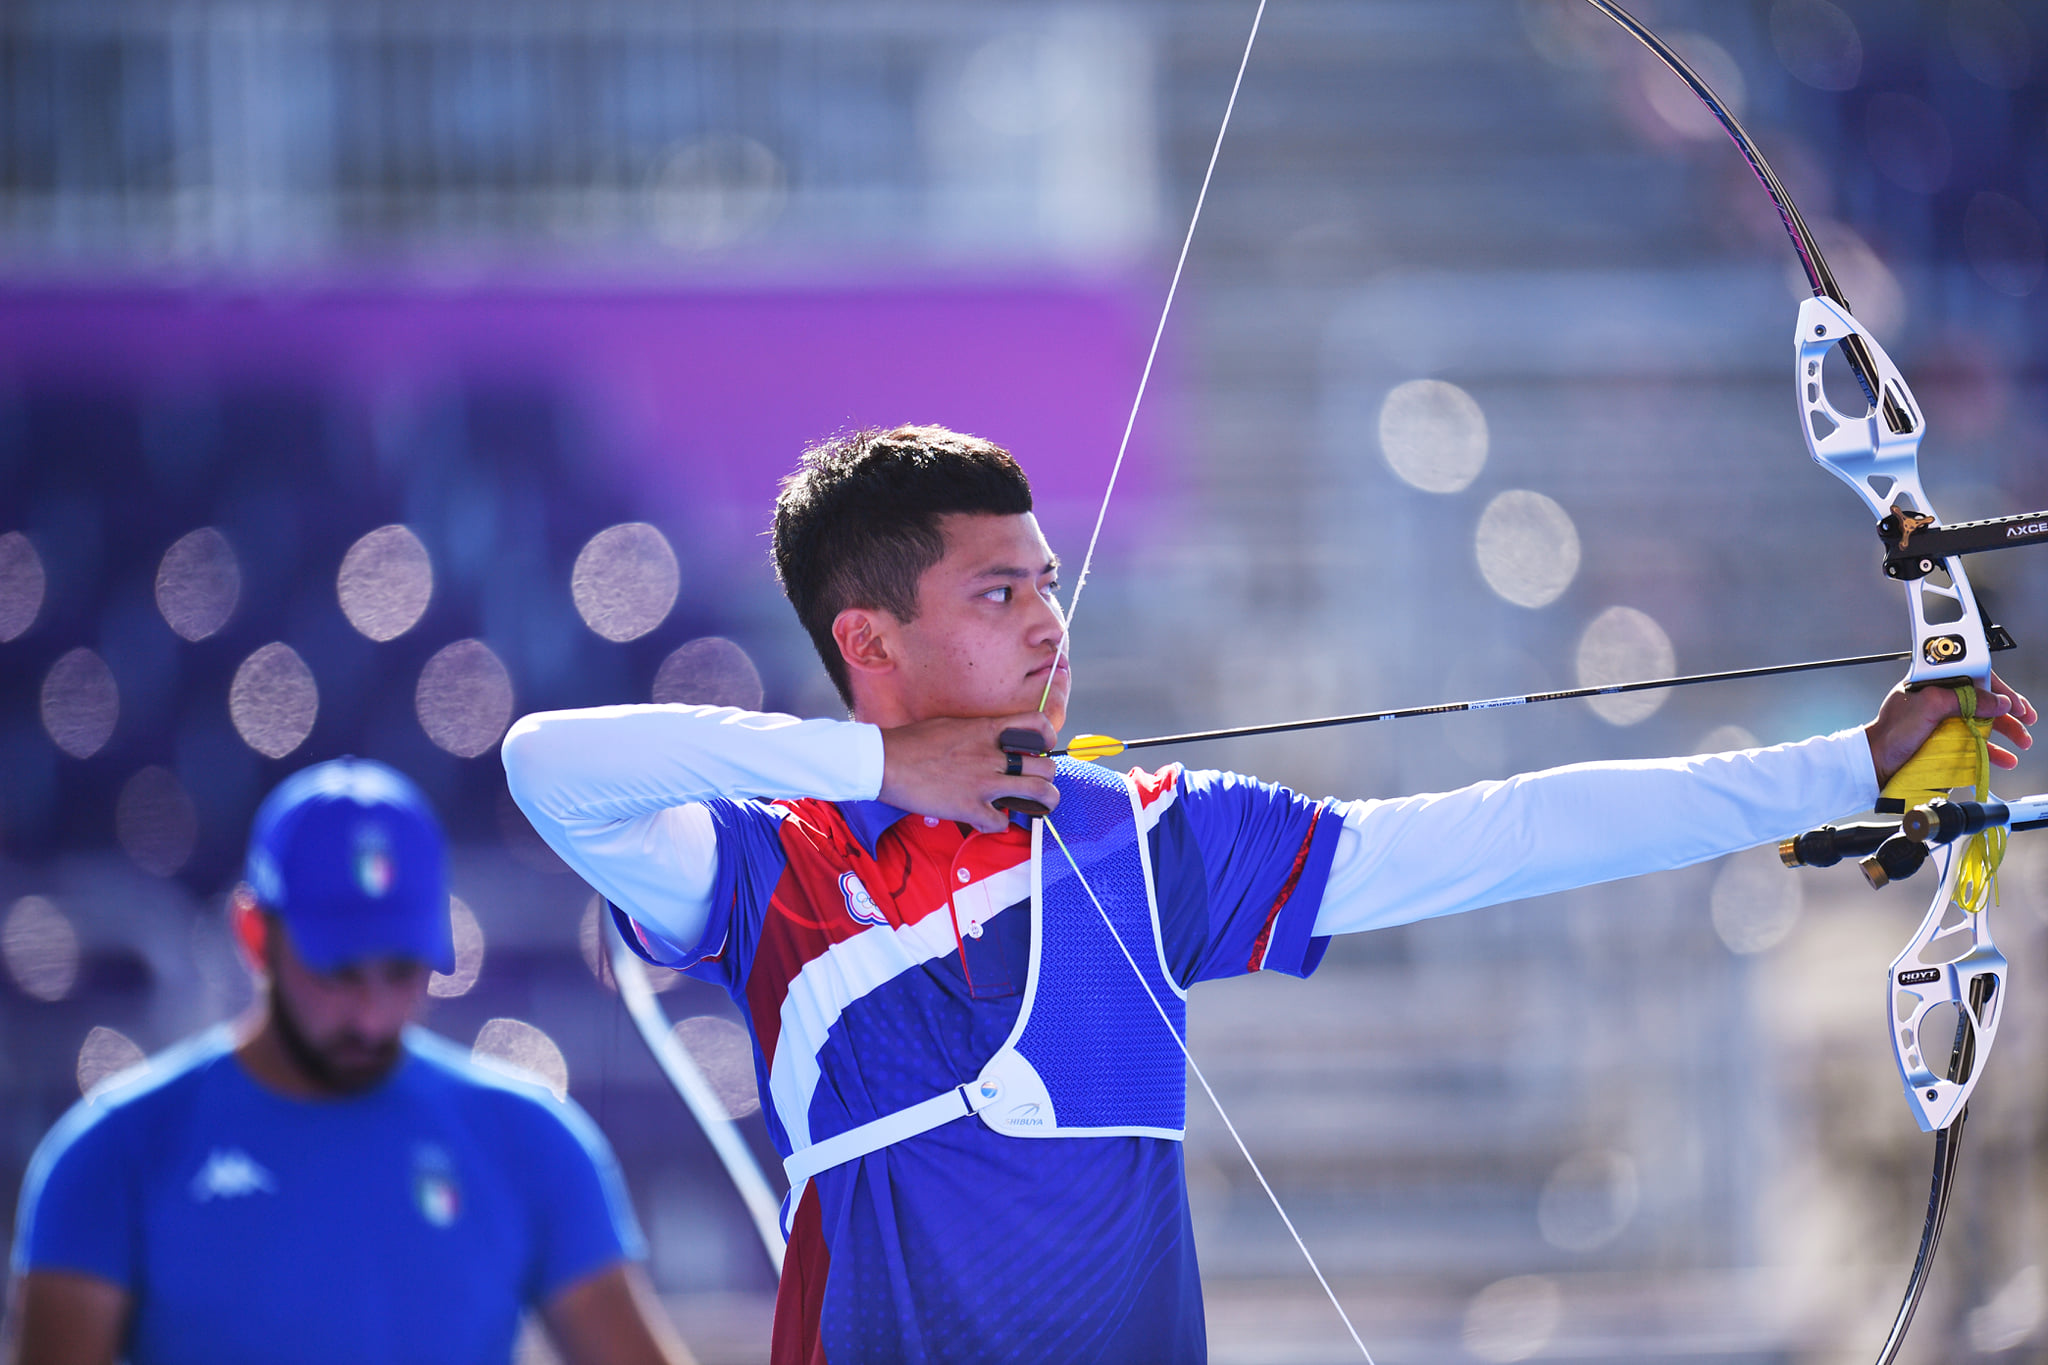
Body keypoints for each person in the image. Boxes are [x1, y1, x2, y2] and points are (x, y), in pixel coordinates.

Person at [500, 424, 2032, 1365]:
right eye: (997, 591)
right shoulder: (776, 867)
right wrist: (884, 770)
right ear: (869, 642)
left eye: (1050, 583)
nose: (1049, 623)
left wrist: (1849, 765)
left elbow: (1505, 833)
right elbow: (548, 763)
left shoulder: (1146, 836)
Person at [7, 758, 696, 1365]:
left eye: (401, 971)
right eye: (337, 971)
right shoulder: (110, 1155)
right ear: (255, 934)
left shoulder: (533, 1140)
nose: (371, 1014)